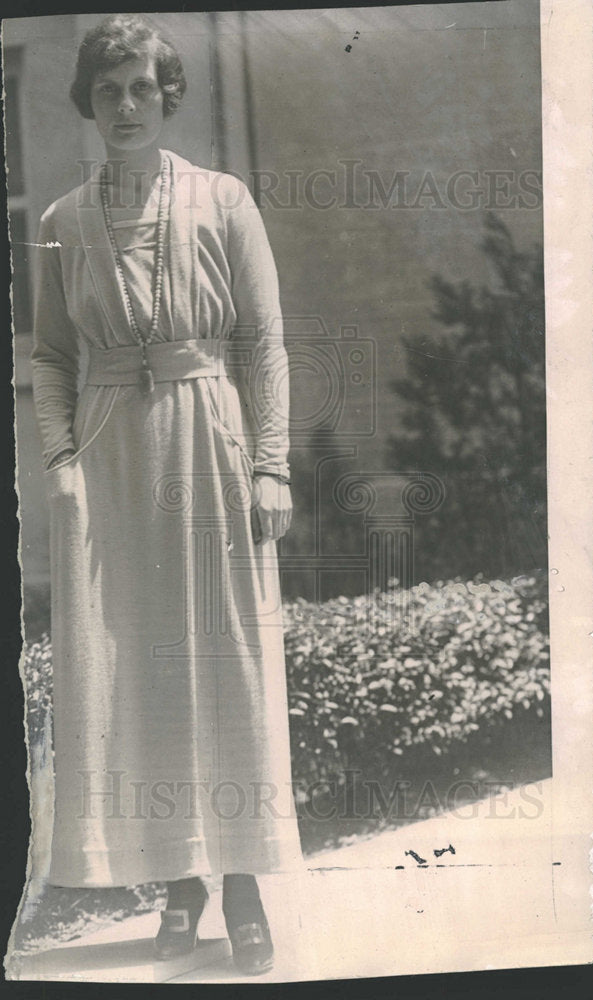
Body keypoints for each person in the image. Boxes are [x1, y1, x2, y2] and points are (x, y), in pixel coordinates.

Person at [31, 13, 303, 976]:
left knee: (225, 663)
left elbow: (263, 341)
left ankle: (243, 884)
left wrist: (270, 464)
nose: (126, 106)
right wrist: (61, 462)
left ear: (168, 94)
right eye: (107, 91)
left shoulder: (223, 200)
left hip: (209, 438)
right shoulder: (61, 222)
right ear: (89, 103)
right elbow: (53, 356)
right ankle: (179, 886)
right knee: (141, 672)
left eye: (142, 87)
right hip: (109, 459)